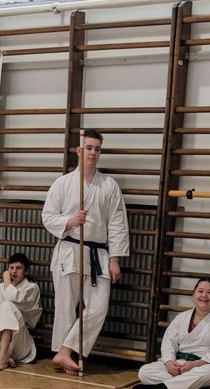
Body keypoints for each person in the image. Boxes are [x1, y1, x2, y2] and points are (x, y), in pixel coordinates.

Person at [42, 129, 129, 376]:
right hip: (69, 249)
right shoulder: (63, 183)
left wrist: (115, 259)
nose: (93, 152)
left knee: (98, 308)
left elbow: (117, 224)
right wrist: (70, 221)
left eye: (97, 149)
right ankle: (64, 354)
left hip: (99, 253)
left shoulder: (109, 185)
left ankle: (65, 350)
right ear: (79, 151)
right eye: (88, 148)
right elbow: (47, 217)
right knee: (66, 306)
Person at [133, 277, 210, 389]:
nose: (204, 295)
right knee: (144, 371)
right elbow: (168, 342)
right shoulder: (182, 317)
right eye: (200, 291)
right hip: (179, 364)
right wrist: (170, 362)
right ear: (193, 295)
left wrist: (194, 365)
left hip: (204, 366)